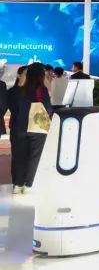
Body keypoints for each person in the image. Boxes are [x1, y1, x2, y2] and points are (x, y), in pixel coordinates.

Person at [11, 63, 53, 195]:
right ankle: (28, 185)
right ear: (41, 75)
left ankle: (17, 185)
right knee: (34, 157)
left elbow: (13, 108)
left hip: (20, 127)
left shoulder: (20, 89)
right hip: (37, 127)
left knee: (19, 156)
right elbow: (47, 108)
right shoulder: (42, 89)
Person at [4, 66, 27, 186]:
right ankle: (17, 182)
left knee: (28, 156)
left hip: (30, 128)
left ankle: (26, 181)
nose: (28, 76)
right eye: (26, 73)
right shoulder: (12, 92)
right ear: (18, 75)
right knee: (17, 155)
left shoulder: (32, 91)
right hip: (17, 127)